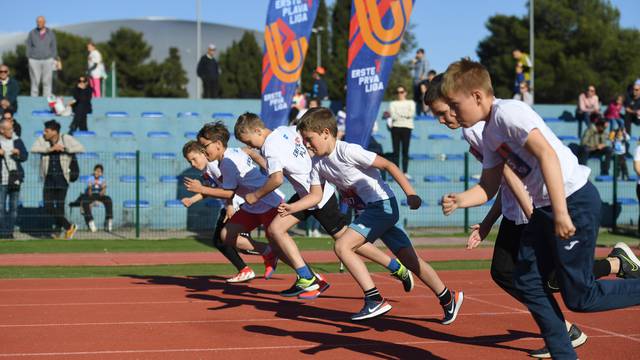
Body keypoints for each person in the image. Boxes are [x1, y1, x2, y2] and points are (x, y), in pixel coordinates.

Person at [426, 73, 640, 358]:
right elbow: (490, 185)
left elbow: (547, 155)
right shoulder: (488, 134)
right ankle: (564, 351)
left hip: (572, 201)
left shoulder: (508, 113)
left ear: (476, 96)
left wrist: (560, 213)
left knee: (580, 297)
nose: (449, 115)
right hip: (545, 209)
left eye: (452, 106)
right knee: (526, 280)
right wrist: (460, 200)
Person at [284, 107, 464, 322]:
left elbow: (388, 164)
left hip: (382, 206)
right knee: (411, 261)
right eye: (304, 140)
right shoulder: (316, 163)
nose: (306, 144)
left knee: (343, 245)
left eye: (309, 139)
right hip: (370, 212)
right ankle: (448, 298)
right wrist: (292, 208)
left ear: (325, 132)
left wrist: (411, 193)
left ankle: (374, 299)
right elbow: (315, 196)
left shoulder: (348, 151)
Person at [235, 113, 414, 299]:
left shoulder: (270, 146)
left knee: (347, 242)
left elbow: (276, 178)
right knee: (275, 230)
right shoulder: (283, 131)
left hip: (318, 196)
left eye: (249, 141)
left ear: (257, 131)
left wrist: (255, 195)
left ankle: (396, 267)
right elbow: (285, 162)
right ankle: (307, 277)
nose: (250, 145)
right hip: (309, 192)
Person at [186, 122, 300, 284]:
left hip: (267, 203)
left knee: (280, 247)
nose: (203, 151)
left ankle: (307, 274)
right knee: (226, 235)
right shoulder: (225, 158)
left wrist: (223, 201)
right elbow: (247, 160)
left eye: (204, 147)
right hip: (251, 205)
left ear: (218, 144)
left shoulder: (223, 164)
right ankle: (267, 253)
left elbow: (228, 192)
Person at [181, 140, 276, 283]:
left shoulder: (215, 166)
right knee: (228, 242)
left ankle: (263, 257)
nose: (193, 164)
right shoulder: (208, 169)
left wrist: (230, 206)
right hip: (233, 204)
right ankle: (264, 256)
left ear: (203, 152)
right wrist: (192, 200)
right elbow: (210, 190)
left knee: (224, 241)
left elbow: (229, 189)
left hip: (238, 204)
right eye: (190, 162)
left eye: (194, 159)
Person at [31, 120, 84, 239]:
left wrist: (64, 149)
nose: (44, 133)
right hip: (48, 179)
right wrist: (50, 149)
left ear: (54, 132)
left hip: (62, 179)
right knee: (48, 206)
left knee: (60, 207)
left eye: (47, 131)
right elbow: (33, 148)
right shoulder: (42, 140)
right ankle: (69, 226)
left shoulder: (66, 138)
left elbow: (81, 148)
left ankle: (58, 232)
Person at [0, 119, 28, 239]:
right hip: (1, 181)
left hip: (15, 179)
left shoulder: (17, 140)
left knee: (14, 208)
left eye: (12, 128)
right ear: (1, 130)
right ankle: (3, 232)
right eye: (9, 129)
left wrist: (18, 153)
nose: (12, 131)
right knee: (0, 208)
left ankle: (9, 233)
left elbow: (25, 156)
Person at [386, 85, 415, 178]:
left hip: (407, 127)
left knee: (405, 151)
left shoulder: (411, 102)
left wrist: (399, 114)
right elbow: (393, 116)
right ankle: (397, 173)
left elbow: (411, 114)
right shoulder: (392, 103)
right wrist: (404, 115)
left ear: (405, 93)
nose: (400, 94)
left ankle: (405, 172)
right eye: (398, 92)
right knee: (396, 151)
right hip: (396, 127)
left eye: (402, 92)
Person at [26, 16, 57, 97]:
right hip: (34, 60)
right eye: (37, 21)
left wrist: (53, 57)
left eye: (40, 21)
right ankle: (33, 99)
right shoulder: (32, 33)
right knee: (35, 81)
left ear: (44, 22)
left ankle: (47, 100)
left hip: (48, 59)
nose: (38, 23)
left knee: (47, 81)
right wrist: (29, 57)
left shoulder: (50, 33)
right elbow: (28, 45)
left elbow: (54, 46)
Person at [80, 164, 113, 233]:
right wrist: (90, 188)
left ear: (101, 173)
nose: (98, 173)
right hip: (91, 195)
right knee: (85, 202)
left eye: (100, 172)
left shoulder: (102, 179)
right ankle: (91, 222)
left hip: (99, 195)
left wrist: (103, 189)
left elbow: (103, 190)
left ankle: (109, 220)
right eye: (97, 171)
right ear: (94, 171)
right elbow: (89, 191)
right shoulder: (90, 178)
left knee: (108, 199)